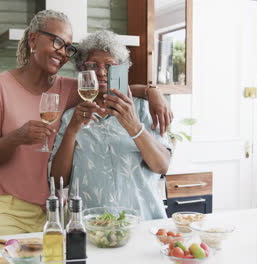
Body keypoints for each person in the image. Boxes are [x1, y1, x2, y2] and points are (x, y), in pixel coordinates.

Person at [0, 10, 172, 236]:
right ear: (33, 39)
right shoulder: (0, 85)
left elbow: (104, 87)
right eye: (57, 41)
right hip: (9, 208)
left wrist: (151, 90)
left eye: (68, 46)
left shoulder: (73, 90)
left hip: (54, 211)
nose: (62, 51)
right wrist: (18, 137)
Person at [50, 30, 173, 220]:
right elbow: (58, 181)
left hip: (143, 222)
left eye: (109, 66)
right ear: (82, 71)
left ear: (121, 70)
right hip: (90, 227)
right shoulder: (69, 117)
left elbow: (162, 166)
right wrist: (72, 130)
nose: (100, 72)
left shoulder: (143, 109)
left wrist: (133, 125)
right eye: (92, 65)